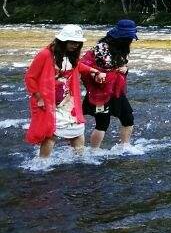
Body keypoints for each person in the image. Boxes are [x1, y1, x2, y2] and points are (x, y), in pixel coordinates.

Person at [25, 25, 88, 159]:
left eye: (78, 42)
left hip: (68, 100)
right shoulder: (45, 54)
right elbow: (30, 77)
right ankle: (43, 163)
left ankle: (79, 161)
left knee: (77, 130)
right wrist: (39, 98)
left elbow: (78, 66)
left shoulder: (72, 55)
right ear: (63, 41)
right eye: (72, 42)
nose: (76, 45)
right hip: (49, 100)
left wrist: (94, 71)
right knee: (51, 133)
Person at [80, 19, 139, 149]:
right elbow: (85, 66)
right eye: (129, 38)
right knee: (102, 123)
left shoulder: (123, 47)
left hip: (116, 90)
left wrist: (125, 69)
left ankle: (125, 146)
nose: (130, 40)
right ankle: (94, 151)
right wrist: (96, 74)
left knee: (128, 118)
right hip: (100, 91)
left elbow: (121, 65)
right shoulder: (101, 47)